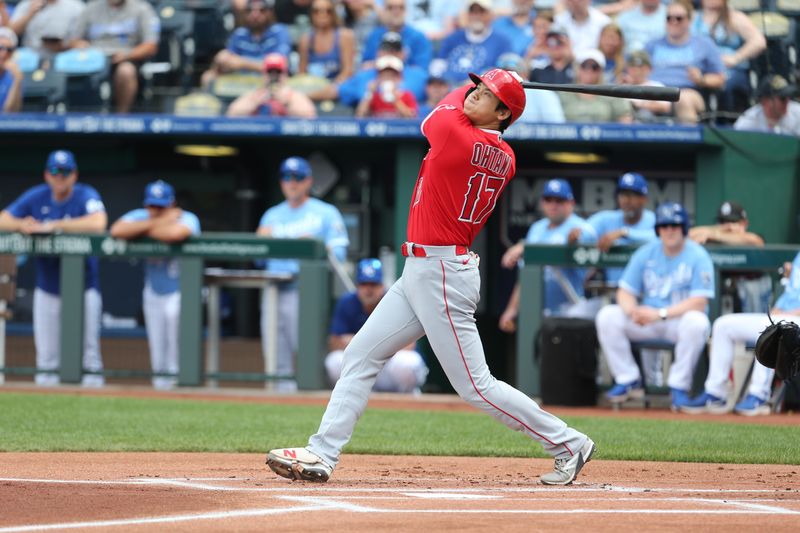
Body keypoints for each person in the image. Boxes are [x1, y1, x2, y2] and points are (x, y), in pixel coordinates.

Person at [266, 68, 596, 486]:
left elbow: (436, 114)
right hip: (424, 271)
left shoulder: (458, 135)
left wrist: (500, 81)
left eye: (486, 93)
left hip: (441, 273)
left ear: (502, 114)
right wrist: (499, 85)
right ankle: (323, 453)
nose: (474, 94)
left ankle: (568, 443)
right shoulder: (505, 156)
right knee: (361, 355)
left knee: (476, 386)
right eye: (475, 89)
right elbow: (471, 107)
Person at [0, 150, 107, 387]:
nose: (60, 177)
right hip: (48, 288)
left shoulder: (84, 194)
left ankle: (95, 409)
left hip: (83, 287)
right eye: (55, 172)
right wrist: (22, 223)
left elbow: (99, 223)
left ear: (74, 175)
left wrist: (54, 225)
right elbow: (3, 219)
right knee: (47, 358)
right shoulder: (37, 196)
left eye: (66, 172)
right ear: (47, 175)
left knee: (89, 355)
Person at [595, 202, 714, 410]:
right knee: (608, 315)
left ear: (684, 228)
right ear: (658, 229)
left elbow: (699, 302)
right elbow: (625, 291)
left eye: (675, 226)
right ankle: (627, 379)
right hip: (647, 320)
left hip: (677, 322)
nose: (669, 231)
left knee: (697, 322)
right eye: (664, 226)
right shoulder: (646, 252)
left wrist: (660, 314)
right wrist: (632, 311)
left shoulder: (698, 255)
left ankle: (678, 387)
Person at [256, 156, 349, 392]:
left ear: (308, 181)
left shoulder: (325, 213)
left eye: (298, 177)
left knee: (309, 354)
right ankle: (280, 406)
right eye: (287, 177)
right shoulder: (271, 215)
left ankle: (314, 401)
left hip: (306, 292)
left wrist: (312, 245)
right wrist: (264, 243)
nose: (292, 183)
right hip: (274, 290)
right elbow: (257, 259)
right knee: (276, 357)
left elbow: (338, 254)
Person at [681, 251, 800, 416]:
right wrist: (778, 311)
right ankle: (715, 393)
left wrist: (787, 315)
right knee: (723, 325)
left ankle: (759, 395)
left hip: (793, 320)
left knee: (774, 328)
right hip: (783, 316)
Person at [109, 180, 201, 390]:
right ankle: (160, 387)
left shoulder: (187, 217)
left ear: (172, 204)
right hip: (153, 290)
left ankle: (181, 385)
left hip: (180, 291)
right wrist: (156, 223)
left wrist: (142, 231)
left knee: (177, 343)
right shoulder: (143, 216)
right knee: (158, 347)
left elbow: (176, 234)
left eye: (161, 206)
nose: (156, 210)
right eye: (152, 206)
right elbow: (117, 230)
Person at [499, 178, 598, 331]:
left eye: (559, 200)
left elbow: (591, 266)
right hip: (536, 310)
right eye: (548, 199)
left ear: (570, 203)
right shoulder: (537, 228)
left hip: (571, 308)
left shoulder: (581, 227)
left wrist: (572, 244)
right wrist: (512, 309)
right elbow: (526, 277)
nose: (553, 205)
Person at [325, 258, 429, 393]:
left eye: (373, 284)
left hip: (389, 365)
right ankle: (357, 396)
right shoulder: (347, 302)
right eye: (364, 284)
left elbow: (409, 345)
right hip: (362, 365)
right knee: (334, 361)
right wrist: (385, 342)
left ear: (381, 286)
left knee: (407, 362)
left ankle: (406, 399)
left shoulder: (396, 301)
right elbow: (334, 343)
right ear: (357, 287)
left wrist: (357, 341)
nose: (368, 289)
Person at [68, 0, 160, 114]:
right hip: (93, 59)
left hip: (125, 57)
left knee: (126, 71)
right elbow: (73, 40)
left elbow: (150, 46)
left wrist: (127, 55)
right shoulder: (91, 7)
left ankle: (121, 116)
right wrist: (80, 44)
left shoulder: (142, 8)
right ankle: (79, 115)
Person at [645, 0, 725, 124]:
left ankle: (688, 141)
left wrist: (701, 79)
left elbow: (720, 79)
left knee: (683, 99)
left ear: (690, 20)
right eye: (669, 18)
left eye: (679, 18)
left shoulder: (704, 44)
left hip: (689, 92)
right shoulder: (652, 45)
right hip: (655, 92)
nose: (673, 22)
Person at [690, 200, 769, 315]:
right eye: (722, 222)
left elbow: (757, 242)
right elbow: (688, 234)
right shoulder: (714, 237)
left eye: (733, 222)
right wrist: (721, 230)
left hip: (750, 303)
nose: (728, 226)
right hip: (719, 299)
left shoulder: (751, 238)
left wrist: (714, 234)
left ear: (744, 223)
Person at [690, 0, 766, 112]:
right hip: (699, 69)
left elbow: (759, 41)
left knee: (728, 87)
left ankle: (727, 123)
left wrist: (736, 57)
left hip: (729, 69)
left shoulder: (734, 17)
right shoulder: (693, 17)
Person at [201, 0, 291, 88]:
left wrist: (243, 63)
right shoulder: (239, 34)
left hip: (267, 79)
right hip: (240, 80)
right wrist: (220, 60)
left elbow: (280, 65)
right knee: (208, 76)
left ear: (270, 12)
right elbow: (229, 60)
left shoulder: (279, 31)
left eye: (261, 10)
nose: (255, 15)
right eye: (250, 10)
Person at [433, 0, 513, 86]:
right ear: (467, 15)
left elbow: (505, 74)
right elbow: (437, 67)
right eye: (473, 12)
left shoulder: (502, 42)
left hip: (481, 91)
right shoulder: (452, 39)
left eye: (482, 12)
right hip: (448, 90)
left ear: (490, 15)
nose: (477, 16)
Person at [226, 53, 317, 118]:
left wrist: (288, 103)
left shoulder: (293, 95)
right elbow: (231, 114)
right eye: (270, 72)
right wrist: (255, 102)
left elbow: (311, 116)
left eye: (278, 72)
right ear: (264, 74)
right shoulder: (256, 94)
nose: (274, 76)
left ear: (285, 75)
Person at [559, 49, 633, 123]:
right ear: (577, 68)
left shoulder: (611, 93)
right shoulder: (565, 94)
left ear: (601, 71)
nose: (589, 70)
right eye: (585, 66)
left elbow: (625, 120)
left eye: (594, 67)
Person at [360, 0, 432, 70]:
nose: (396, 12)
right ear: (383, 11)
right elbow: (365, 66)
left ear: (406, 11)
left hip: (406, 80)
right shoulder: (374, 36)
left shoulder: (418, 38)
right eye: (390, 8)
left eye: (401, 7)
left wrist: (399, 63)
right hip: (377, 79)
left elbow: (421, 70)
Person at [296, 0, 356, 85]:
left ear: (333, 13)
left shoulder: (345, 36)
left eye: (328, 11)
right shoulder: (305, 40)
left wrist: (331, 88)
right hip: (312, 87)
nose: (322, 15)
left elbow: (348, 71)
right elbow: (301, 72)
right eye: (316, 11)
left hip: (338, 87)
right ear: (311, 14)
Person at [9, 0, 86, 60]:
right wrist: (30, 14)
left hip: (64, 56)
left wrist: (65, 45)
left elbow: (81, 40)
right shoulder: (27, 5)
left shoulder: (76, 6)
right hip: (31, 56)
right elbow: (11, 32)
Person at [733, 75, 800, 136]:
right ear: (765, 101)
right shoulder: (748, 122)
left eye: (788, 97)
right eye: (782, 98)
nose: (787, 102)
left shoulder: (797, 113)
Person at [621, 50, 673, 122]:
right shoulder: (621, 86)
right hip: (622, 122)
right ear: (627, 68)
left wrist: (637, 105)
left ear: (649, 69)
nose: (637, 71)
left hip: (649, 124)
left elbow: (665, 107)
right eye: (633, 67)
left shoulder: (656, 85)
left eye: (641, 67)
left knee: (644, 114)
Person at [0, 26, 22, 113]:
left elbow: (11, 113)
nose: (4, 53)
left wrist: (17, 81)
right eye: (0, 48)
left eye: (9, 49)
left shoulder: (14, 75)